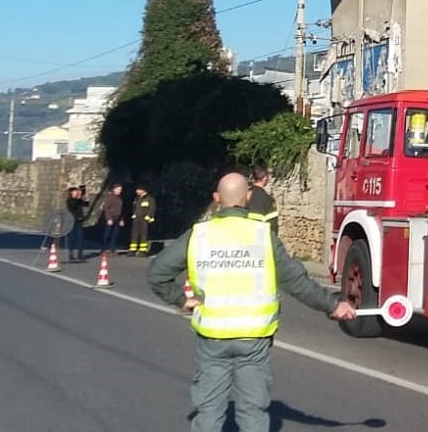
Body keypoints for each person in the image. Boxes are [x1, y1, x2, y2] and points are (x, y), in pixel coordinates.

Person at [149, 173, 356, 432]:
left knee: (209, 409)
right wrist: (334, 305)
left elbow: (158, 273)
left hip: (212, 337)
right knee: (253, 410)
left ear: (216, 199)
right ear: (247, 197)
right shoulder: (263, 236)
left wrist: (181, 299)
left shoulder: (198, 235)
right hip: (253, 338)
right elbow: (297, 282)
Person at [246, 165, 278, 234]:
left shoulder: (243, 195)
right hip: (260, 239)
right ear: (265, 178)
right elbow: (272, 228)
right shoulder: (268, 200)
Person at [128, 184, 156, 256]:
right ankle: (132, 250)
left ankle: (142, 251)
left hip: (144, 219)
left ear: (143, 190)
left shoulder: (150, 199)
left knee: (143, 235)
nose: (136, 191)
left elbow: (152, 208)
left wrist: (149, 216)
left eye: (138, 190)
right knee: (134, 234)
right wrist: (133, 214)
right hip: (136, 218)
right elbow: (134, 207)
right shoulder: (137, 199)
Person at [99, 183, 125, 254]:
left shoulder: (120, 199)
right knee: (107, 234)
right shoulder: (109, 198)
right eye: (118, 189)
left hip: (117, 218)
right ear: (114, 190)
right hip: (110, 218)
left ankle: (112, 249)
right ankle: (103, 249)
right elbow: (106, 208)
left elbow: (121, 210)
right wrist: (108, 218)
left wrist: (122, 220)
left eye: (120, 189)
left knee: (115, 235)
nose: (119, 191)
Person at [66, 185, 88, 262]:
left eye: (77, 191)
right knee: (71, 238)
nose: (76, 193)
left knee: (80, 237)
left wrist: (83, 195)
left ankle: (80, 254)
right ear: (71, 193)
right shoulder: (69, 200)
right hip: (71, 221)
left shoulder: (79, 200)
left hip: (79, 221)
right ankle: (71, 253)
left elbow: (86, 204)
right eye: (75, 191)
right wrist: (78, 198)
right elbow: (74, 205)